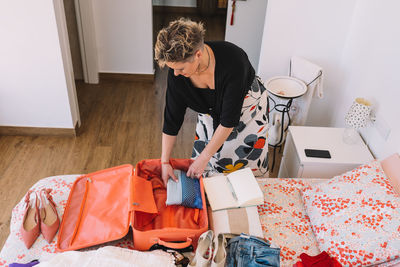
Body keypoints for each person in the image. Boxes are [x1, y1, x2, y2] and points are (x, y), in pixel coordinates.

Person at [154, 18, 269, 185]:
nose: (176, 74)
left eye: (180, 68)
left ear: (197, 55)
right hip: (211, 113)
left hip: (248, 113)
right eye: (173, 69)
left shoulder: (233, 61)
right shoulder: (178, 75)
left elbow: (228, 121)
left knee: (244, 169)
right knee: (204, 167)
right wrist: (164, 162)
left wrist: (205, 157)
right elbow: (172, 119)